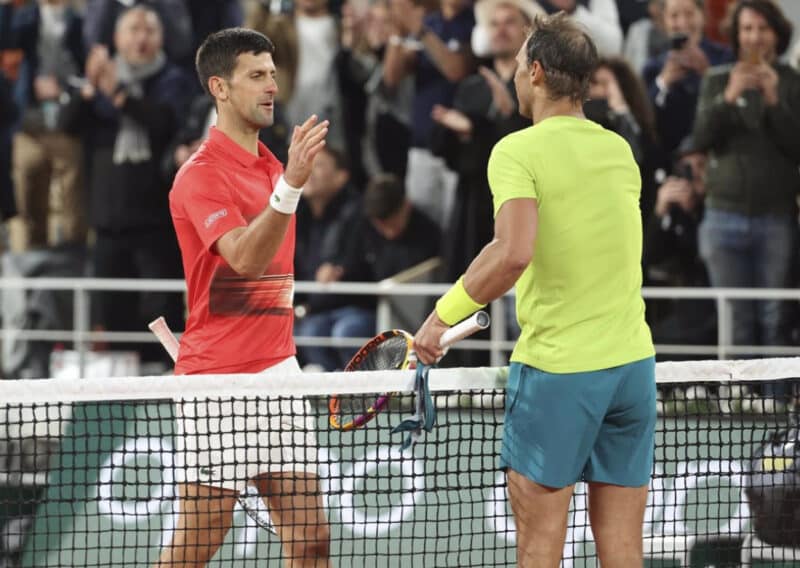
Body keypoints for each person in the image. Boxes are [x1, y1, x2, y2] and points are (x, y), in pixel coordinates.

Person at [414, 13, 656, 566]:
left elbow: (513, 252)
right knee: (622, 549)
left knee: (540, 546)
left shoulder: (517, 151)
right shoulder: (619, 150)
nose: (518, 77)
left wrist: (441, 318)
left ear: (539, 72)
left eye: (522, 66)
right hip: (632, 371)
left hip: (561, 373)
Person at [157, 28, 331, 567]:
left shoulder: (274, 167)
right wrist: (292, 188)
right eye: (256, 75)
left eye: (273, 74)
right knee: (196, 548)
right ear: (220, 88)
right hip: (217, 385)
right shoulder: (199, 176)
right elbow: (246, 259)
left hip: (279, 371)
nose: (271, 86)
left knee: (311, 542)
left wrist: (287, 182)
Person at [692, 0, 798, 397]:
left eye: (762, 29)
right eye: (747, 29)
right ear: (737, 35)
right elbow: (699, 138)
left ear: (776, 34)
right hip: (723, 215)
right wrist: (729, 96)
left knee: (773, 316)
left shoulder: (792, 82)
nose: (754, 37)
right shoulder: (717, 79)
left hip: (776, 216)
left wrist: (773, 99)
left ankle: (773, 401)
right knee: (734, 317)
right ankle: (738, 400)